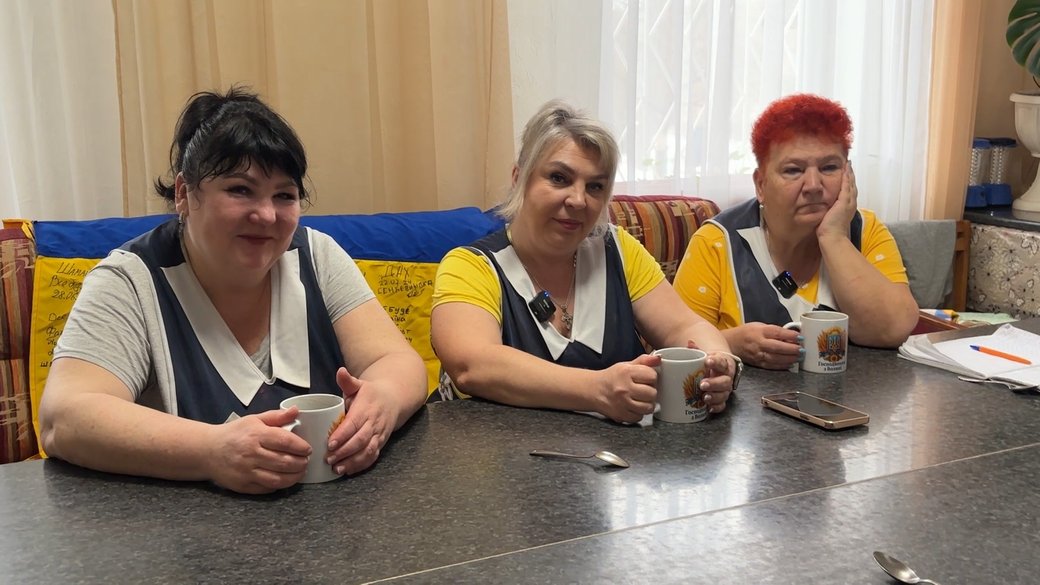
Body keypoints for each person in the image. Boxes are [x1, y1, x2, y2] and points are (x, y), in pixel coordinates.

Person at [38, 88, 427, 494]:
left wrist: (382, 402)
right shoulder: (130, 281)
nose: (266, 215)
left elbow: (396, 361)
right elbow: (65, 418)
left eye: (284, 195)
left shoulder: (317, 255)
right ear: (184, 193)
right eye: (240, 190)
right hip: (183, 528)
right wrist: (211, 451)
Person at [429, 100, 739, 424]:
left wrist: (719, 364)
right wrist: (598, 390)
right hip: (490, 452)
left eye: (595, 187)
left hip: (610, 454)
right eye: (559, 178)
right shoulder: (471, 266)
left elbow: (685, 326)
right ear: (519, 178)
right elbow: (473, 365)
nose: (578, 200)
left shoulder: (619, 249)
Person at [673, 94, 919, 370]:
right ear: (761, 184)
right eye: (793, 170)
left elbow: (894, 329)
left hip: (854, 396)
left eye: (829, 167)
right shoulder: (717, 242)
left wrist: (834, 237)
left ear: (849, 174)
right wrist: (731, 343)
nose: (813, 185)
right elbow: (679, 350)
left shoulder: (866, 230)